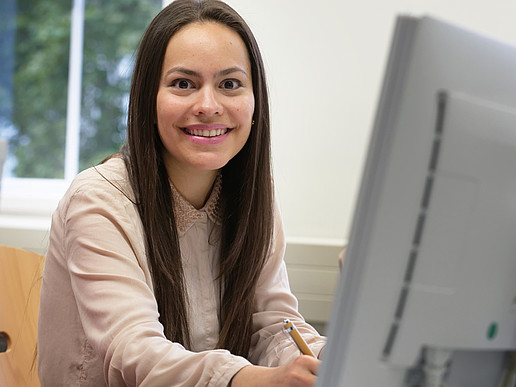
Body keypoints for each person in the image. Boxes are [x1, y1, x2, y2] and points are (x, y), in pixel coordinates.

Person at [37, 0, 326, 385]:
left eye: (229, 84)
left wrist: (331, 358)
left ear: (255, 103)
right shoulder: (98, 201)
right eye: (183, 84)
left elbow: (274, 326)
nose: (208, 106)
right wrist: (261, 380)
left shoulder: (253, 196)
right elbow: (137, 355)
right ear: (147, 99)